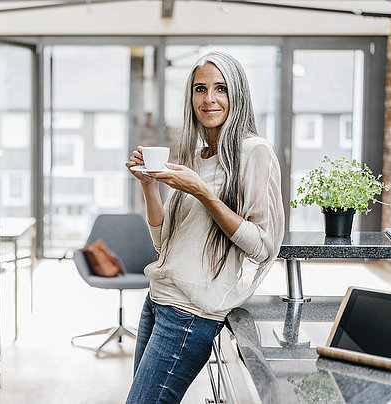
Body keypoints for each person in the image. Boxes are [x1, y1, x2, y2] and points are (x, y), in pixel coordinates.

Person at [124, 51, 285, 403]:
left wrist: (202, 191)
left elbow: (261, 244)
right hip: (157, 301)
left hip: (191, 314)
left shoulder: (254, 152)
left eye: (220, 88)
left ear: (237, 95)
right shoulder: (196, 157)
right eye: (200, 89)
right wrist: (149, 184)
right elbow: (162, 242)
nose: (209, 99)